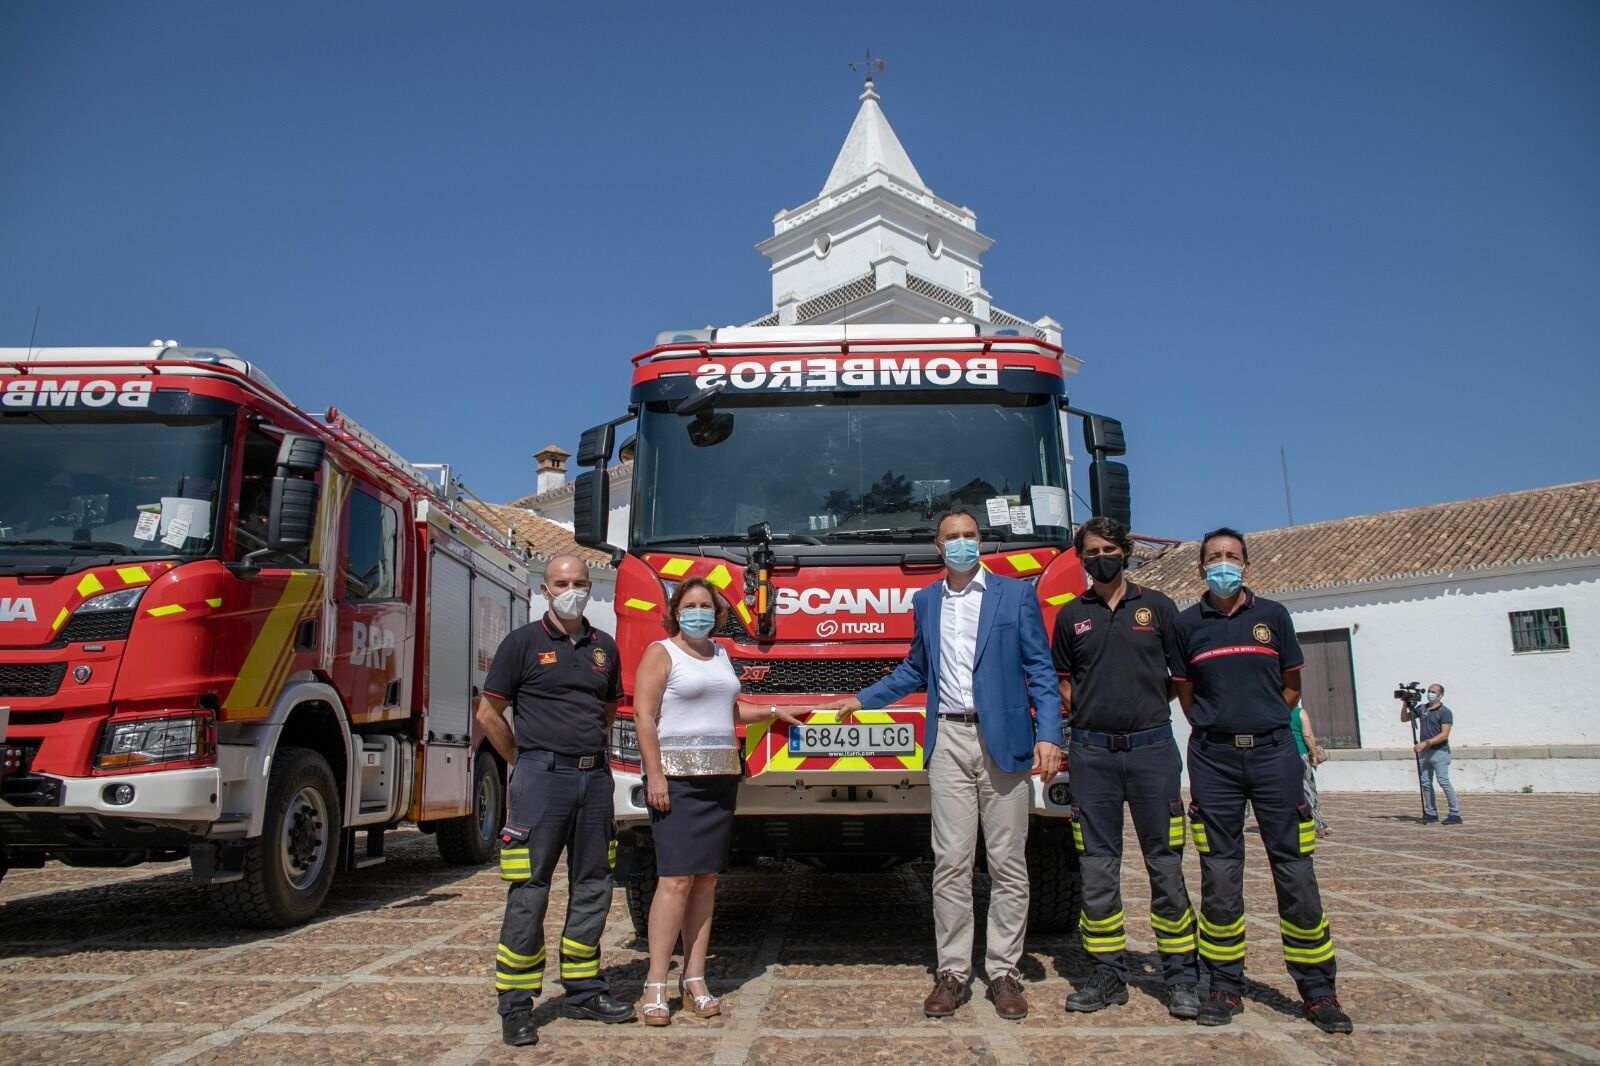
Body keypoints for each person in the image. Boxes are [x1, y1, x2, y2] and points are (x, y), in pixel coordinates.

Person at [818, 508, 1062, 1021]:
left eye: (969, 536)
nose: (961, 544)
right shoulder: (926, 601)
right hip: (947, 738)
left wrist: (1049, 736)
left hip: (1005, 740)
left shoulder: (1015, 594)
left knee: (1007, 863)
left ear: (982, 541)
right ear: (937, 547)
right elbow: (916, 668)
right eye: (952, 537)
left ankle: (1003, 971)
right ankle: (952, 971)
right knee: (951, 862)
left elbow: (1040, 668)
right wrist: (864, 699)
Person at [1170, 528, 1353, 1035]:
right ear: (1200, 568)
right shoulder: (1188, 626)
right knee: (1220, 877)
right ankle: (1225, 986)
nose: (1222, 564)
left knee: (1295, 872)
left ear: (1246, 564)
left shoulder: (1273, 617)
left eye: (1231, 556)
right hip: (1214, 759)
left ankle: (1319, 992)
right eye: (1213, 558)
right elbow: (1187, 694)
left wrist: (1263, 720)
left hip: (1275, 755)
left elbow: (1291, 687)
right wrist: (1222, 724)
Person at [476, 555, 636, 1047]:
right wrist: (522, 760)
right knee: (530, 889)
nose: (573, 590)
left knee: (594, 885)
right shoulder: (521, 643)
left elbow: (607, 710)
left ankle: (584, 990)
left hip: (594, 781)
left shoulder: (603, 647)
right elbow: (489, 713)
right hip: (540, 779)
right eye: (562, 583)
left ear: (590, 588)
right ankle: (517, 1003)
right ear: (546, 591)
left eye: (581, 583)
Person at [631, 577, 806, 1025]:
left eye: (706, 606)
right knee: (674, 881)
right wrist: (655, 775)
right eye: (689, 605)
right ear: (675, 610)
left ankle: (694, 979)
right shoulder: (660, 653)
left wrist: (771, 710)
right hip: (676, 780)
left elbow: (728, 710)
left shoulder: (721, 654)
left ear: (717, 613)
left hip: (719, 781)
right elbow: (644, 717)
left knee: (706, 880)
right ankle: (654, 984)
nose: (698, 613)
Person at [1051, 517, 1199, 1020]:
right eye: (1091, 551)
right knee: (1097, 868)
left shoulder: (1159, 607)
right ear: (1081, 558)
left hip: (1152, 750)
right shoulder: (1072, 615)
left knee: (1165, 864)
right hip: (1092, 755)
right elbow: (1064, 683)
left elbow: (1180, 677)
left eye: (1109, 548)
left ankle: (1180, 975)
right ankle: (1107, 973)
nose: (1101, 557)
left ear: (1126, 552)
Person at [1402, 684, 1461, 825]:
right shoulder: (1422, 709)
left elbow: (1444, 735)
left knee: (1443, 781)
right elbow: (1405, 718)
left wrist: (1425, 743)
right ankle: (1430, 812)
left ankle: (1455, 813)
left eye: (1434, 692)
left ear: (1440, 695)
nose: (1430, 693)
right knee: (1426, 783)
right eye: (1429, 691)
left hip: (1439, 752)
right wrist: (1405, 704)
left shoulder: (1445, 712)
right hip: (1425, 753)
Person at [1290, 705, 1329, 837]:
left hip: (1281, 757)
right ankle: (1319, 825)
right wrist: (1314, 754)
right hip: (1299, 754)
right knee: (1308, 790)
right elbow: (1307, 735)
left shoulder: (1274, 710)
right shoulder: (1299, 712)